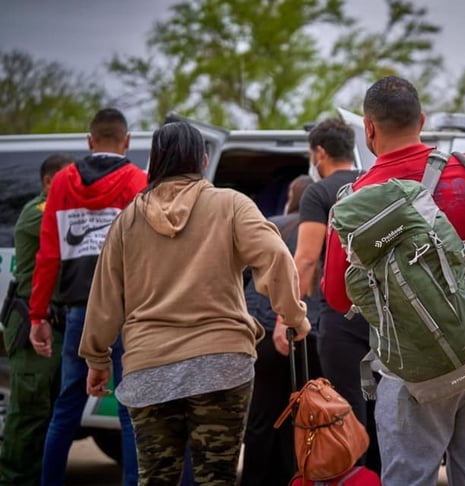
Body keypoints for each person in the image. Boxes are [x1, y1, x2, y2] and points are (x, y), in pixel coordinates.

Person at [78, 121, 311, 485]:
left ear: (154, 162)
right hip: (222, 364)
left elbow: (105, 296)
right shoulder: (231, 204)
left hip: (148, 365)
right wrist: (293, 315)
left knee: (156, 477)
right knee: (215, 476)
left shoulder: (127, 221)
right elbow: (276, 256)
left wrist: (97, 358)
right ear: (203, 160)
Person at [322, 76, 465, 485]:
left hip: (413, 370)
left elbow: (337, 297)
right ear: (421, 120)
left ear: (369, 129)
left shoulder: (355, 203)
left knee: (410, 478)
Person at [28, 108, 145, 486]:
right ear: (126, 142)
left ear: (89, 141)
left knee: (65, 409)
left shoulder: (62, 182)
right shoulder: (137, 180)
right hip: (127, 311)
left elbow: (47, 256)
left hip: (78, 310)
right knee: (129, 408)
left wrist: (37, 315)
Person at [288, 118, 381, 472]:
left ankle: (352, 478)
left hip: (340, 318)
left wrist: (289, 315)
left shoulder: (319, 192)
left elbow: (307, 258)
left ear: (320, 153)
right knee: (381, 410)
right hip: (384, 315)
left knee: (346, 410)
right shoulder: (372, 181)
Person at [242, 174, 324, 486]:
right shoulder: (324, 232)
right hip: (308, 332)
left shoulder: (271, 224)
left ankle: (255, 480)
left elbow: (246, 276)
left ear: (292, 197)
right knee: (305, 418)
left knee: (262, 417)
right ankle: (296, 477)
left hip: (261, 331)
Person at [0, 154, 72, 486]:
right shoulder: (37, 213)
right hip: (32, 322)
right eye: (66, 179)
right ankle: (14, 480)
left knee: (51, 414)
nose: (76, 185)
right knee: (28, 413)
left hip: (56, 325)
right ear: (47, 182)